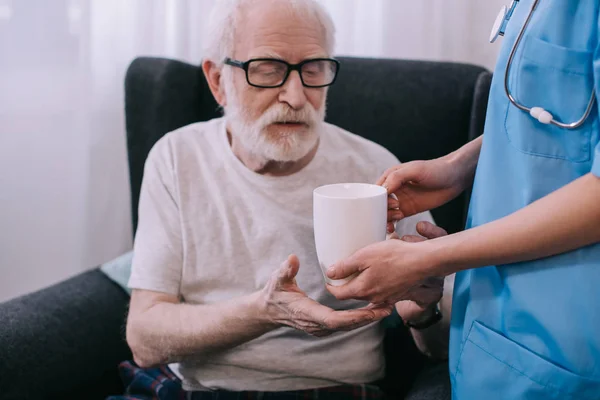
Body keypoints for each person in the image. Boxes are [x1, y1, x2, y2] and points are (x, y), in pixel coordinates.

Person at [112, 0, 445, 399]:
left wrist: (424, 310)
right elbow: (145, 339)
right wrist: (263, 312)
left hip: (336, 390)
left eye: (313, 69)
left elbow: (439, 351)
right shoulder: (176, 158)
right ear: (218, 80)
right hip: (196, 390)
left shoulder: (376, 168)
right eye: (267, 70)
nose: (296, 96)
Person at [325, 1, 600, 399]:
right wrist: (461, 166)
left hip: (567, 346)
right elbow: (563, 118)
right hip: (495, 340)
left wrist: (429, 258)